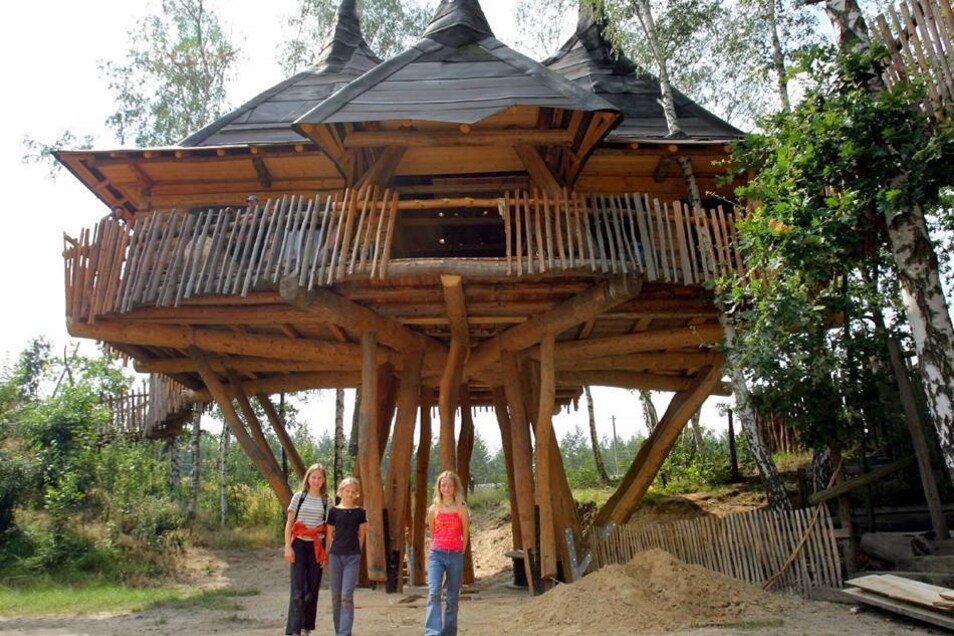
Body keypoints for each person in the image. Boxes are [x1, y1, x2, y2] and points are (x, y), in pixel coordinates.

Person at [284, 463, 329, 636]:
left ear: (323, 480)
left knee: (312, 588)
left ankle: (306, 627)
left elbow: (329, 529)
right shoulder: (298, 497)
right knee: (298, 590)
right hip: (299, 545)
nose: (316, 480)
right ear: (308, 478)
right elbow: (289, 524)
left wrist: (327, 553)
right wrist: (288, 547)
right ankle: (293, 630)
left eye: (319, 477)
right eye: (313, 477)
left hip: (317, 546)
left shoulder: (327, 501)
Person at [424, 470, 470, 636]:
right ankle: (432, 632)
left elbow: (465, 534)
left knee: (452, 598)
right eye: (443, 485)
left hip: (455, 555)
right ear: (439, 487)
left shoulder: (461, 508)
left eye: (450, 485)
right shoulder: (433, 509)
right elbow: (433, 532)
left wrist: (459, 552)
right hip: (437, 554)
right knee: (434, 592)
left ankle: (449, 632)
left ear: (455, 487)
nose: (446, 488)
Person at [326, 477, 367, 636]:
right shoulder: (333, 512)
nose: (349, 494)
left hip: (352, 557)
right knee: (336, 596)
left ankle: (344, 633)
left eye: (352, 492)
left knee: (346, 595)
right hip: (335, 556)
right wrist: (326, 555)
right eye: (346, 491)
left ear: (356, 494)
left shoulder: (360, 512)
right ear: (340, 491)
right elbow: (329, 536)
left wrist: (357, 552)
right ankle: (340, 631)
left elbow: (362, 536)